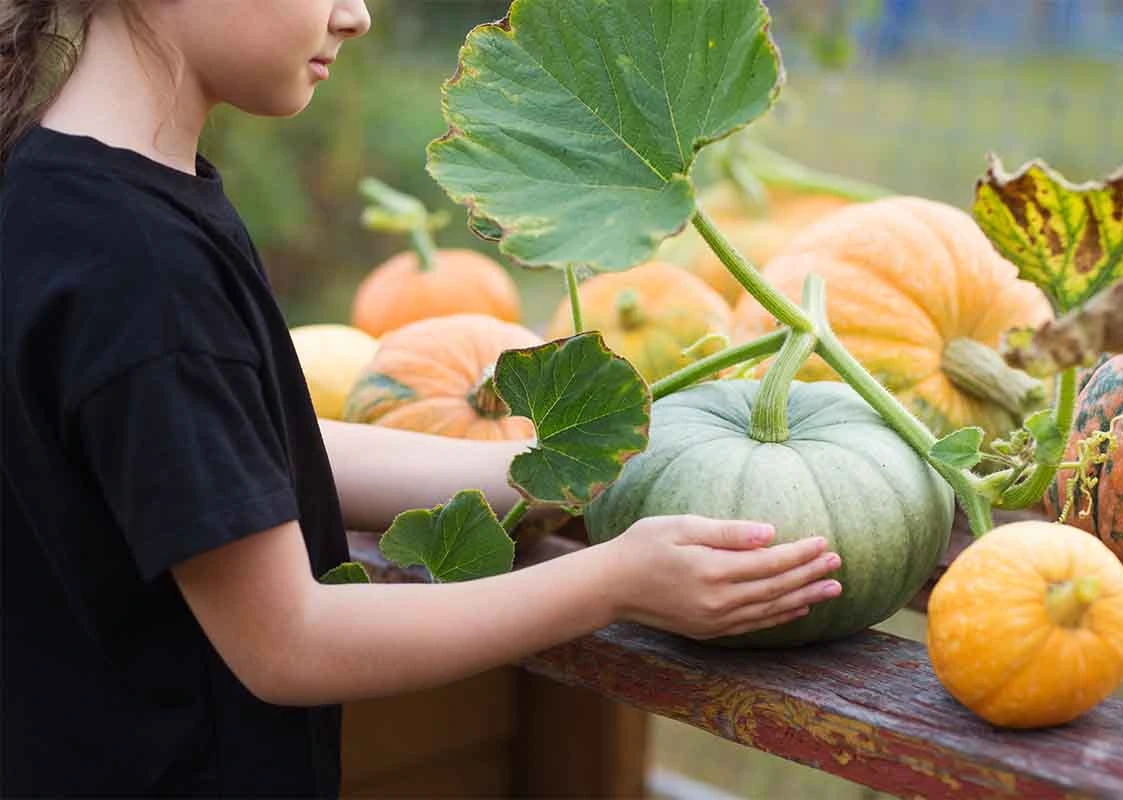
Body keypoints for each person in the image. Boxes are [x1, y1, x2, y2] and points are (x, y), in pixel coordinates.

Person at [0, 1, 844, 796]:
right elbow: (287, 641)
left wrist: (540, 473)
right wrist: (614, 582)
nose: (355, 15)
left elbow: (244, 455)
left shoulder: (57, 193)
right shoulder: (146, 273)